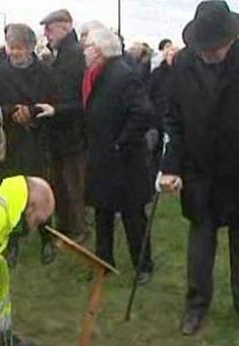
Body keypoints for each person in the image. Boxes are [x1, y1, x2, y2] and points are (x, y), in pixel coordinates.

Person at [160, 0, 239, 339]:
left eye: (214, 48)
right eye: (202, 48)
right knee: (199, 247)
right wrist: (170, 168)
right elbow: (173, 118)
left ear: (232, 38)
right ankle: (196, 305)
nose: (207, 54)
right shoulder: (185, 61)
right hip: (200, 173)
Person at [82, 28, 155, 283]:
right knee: (103, 212)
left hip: (124, 161)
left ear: (100, 50)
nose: (85, 49)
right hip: (102, 157)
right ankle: (103, 261)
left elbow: (143, 113)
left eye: (89, 45)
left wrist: (120, 143)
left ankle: (143, 264)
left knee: (133, 215)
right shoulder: (97, 73)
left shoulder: (123, 75)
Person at [0, 23, 57, 266]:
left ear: (31, 48)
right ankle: (11, 242)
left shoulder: (45, 72)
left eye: (20, 48)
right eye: (12, 47)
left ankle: (47, 239)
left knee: (40, 190)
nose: (15, 52)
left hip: (35, 140)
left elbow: (53, 103)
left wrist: (31, 112)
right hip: (9, 142)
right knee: (11, 192)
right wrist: (10, 111)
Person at [35, 9, 88, 244]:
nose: (46, 33)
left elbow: (83, 99)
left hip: (73, 134)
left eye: (50, 28)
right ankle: (66, 230)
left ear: (66, 26)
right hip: (57, 133)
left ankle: (78, 233)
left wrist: (57, 110)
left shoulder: (76, 55)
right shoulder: (60, 54)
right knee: (60, 185)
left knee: (73, 186)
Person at [0, 174, 55, 346]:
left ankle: (5, 338)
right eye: (37, 221)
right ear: (30, 207)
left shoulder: (7, 207)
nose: (32, 229)